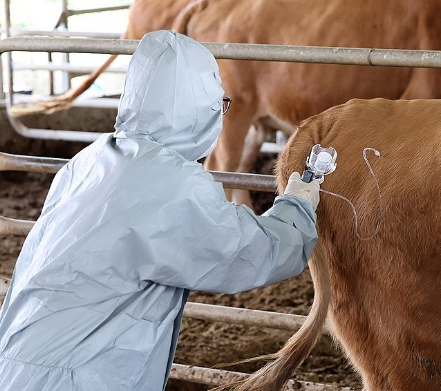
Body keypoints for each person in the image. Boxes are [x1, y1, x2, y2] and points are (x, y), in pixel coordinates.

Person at [0, 31, 321, 390]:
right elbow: (246, 253)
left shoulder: (90, 160)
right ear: (204, 108)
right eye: (220, 104)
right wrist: (298, 206)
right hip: (77, 377)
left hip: (15, 360)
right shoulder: (173, 184)